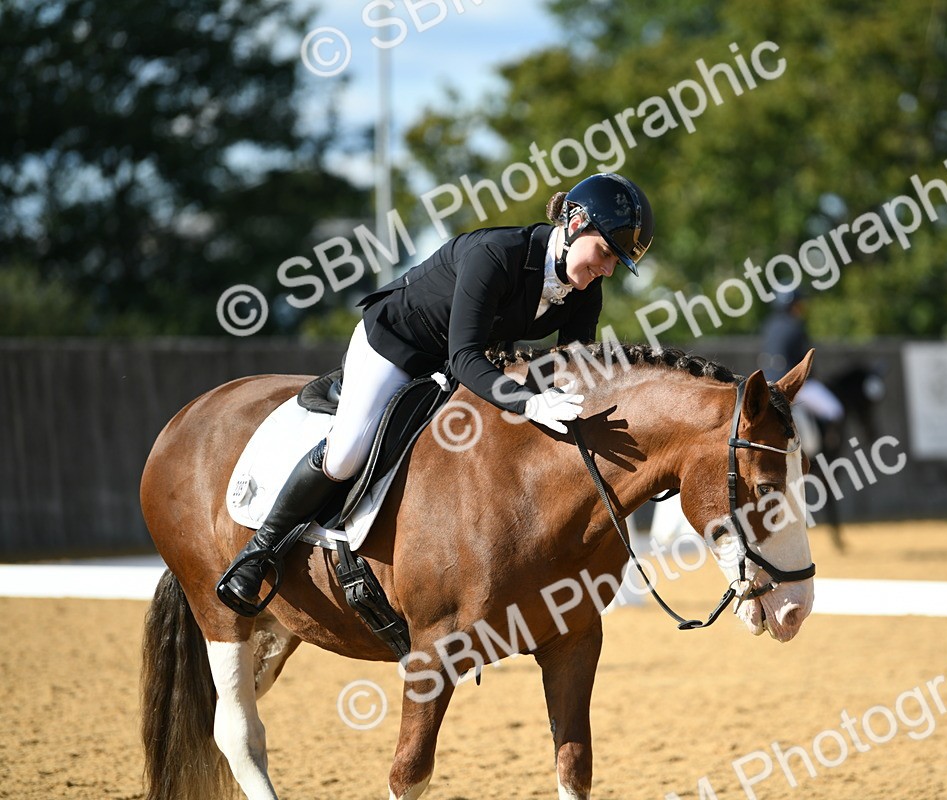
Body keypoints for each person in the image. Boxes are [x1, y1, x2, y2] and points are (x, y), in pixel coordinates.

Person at [217, 172, 655, 616]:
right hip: (396, 345)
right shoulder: (496, 255)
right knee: (346, 454)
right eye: (604, 253)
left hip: (455, 362)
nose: (607, 269)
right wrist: (528, 401)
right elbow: (465, 355)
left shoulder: (584, 288)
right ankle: (258, 552)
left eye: (616, 263)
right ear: (575, 223)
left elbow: (574, 367)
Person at [758, 288, 843, 425]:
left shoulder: (769, 326)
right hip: (791, 386)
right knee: (834, 410)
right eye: (799, 303)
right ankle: (828, 443)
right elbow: (804, 363)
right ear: (791, 304)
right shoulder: (796, 326)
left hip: (767, 385)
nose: (802, 306)